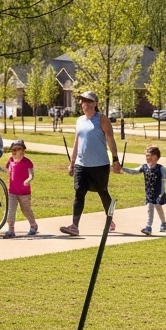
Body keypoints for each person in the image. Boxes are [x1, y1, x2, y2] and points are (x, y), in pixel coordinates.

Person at [59, 91, 122, 236]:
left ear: (94, 103)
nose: (83, 104)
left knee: (103, 192)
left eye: (87, 101)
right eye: (82, 101)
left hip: (100, 164)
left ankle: (110, 220)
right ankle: (74, 226)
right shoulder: (79, 120)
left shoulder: (102, 119)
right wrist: (72, 163)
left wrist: (115, 159)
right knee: (79, 193)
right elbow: (76, 142)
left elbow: (110, 139)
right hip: (81, 164)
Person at [122, 145, 166, 235]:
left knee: (158, 208)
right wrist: (123, 168)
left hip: (158, 193)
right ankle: (148, 227)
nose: (147, 157)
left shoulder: (160, 168)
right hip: (149, 193)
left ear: (156, 156)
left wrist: (161, 193)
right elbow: (134, 171)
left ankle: (163, 223)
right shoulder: (144, 167)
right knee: (150, 208)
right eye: (146, 155)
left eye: (149, 155)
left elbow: (163, 182)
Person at [2, 140, 38, 237]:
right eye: (13, 149)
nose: (14, 152)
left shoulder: (27, 162)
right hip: (12, 191)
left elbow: (31, 175)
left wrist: (28, 180)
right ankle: (11, 229)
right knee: (11, 210)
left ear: (23, 151)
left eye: (17, 149)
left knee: (26, 209)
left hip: (24, 192)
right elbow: (6, 170)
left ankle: (33, 225)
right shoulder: (10, 160)